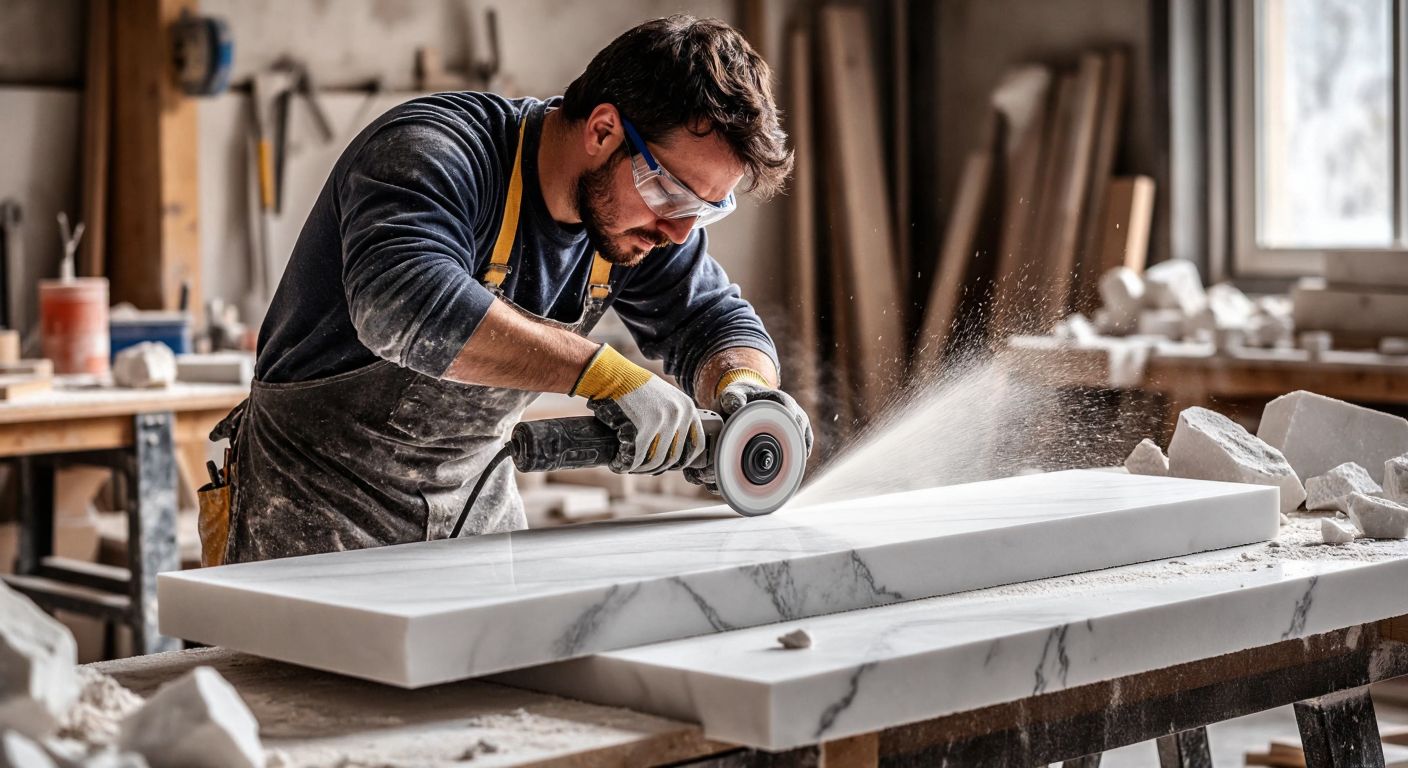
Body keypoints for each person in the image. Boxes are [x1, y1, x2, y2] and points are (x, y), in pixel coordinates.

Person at [214, 15, 813, 564]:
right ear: (603, 132)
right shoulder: (435, 151)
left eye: (705, 213)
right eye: (673, 196)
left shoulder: (639, 224)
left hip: (475, 504)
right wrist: (608, 375)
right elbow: (401, 304)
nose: (680, 233)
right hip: (314, 511)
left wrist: (746, 390)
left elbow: (715, 321)